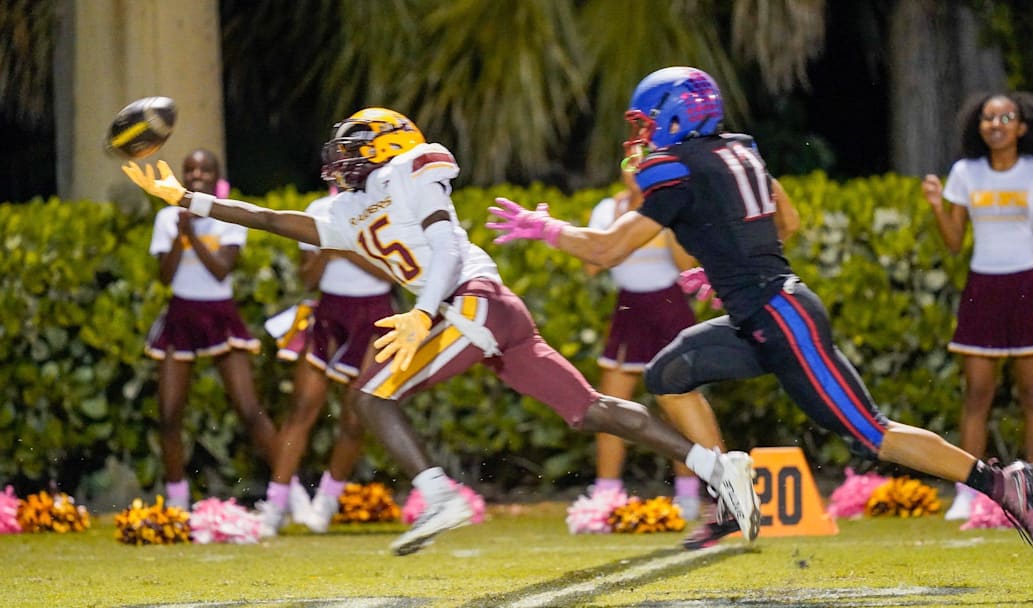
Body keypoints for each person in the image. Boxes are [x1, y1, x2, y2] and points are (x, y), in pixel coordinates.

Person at [121, 107, 761, 556]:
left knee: (370, 397)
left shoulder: (411, 170)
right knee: (589, 411)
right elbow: (270, 218)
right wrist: (185, 200)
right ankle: (718, 466)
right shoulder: (348, 209)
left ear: (381, 146)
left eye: (350, 148)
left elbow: (445, 252)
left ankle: (438, 497)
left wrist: (425, 312)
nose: (339, 162)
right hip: (486, 310)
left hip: (469, 301)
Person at [487, 66, 1033, 552]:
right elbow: (785, 223)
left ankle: (1001, 485)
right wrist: (723, 266)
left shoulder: (680, 169)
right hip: (761, 313)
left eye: (649, 121)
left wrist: (547, 228)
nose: (645, 134)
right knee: (668, 375)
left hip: (782, 317)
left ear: (676, 116)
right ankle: (730, 492)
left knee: (870, 433)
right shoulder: (739, 151)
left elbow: (608, 248)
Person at [921, 92, 1033, 521]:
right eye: (988, 118)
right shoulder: (965, 173)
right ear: (979, 126)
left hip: (1027, 284)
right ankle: (970, 494)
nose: (997, 124)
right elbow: (953, 243)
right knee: (977, 395)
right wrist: (937, 206)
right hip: (982, 287)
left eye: (1006, 117)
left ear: (1022, 127)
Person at [584, 164, 729, 548]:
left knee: (677, 404)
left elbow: (686, 265)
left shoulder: (669, 208)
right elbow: (592, 263)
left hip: (669, 307)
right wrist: (626, 213)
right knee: (607, 405)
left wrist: (660, 216)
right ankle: (607, 494)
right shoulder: (606, 209)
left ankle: (686, 494)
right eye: (631, 166)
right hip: (628, 310)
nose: (635, 174)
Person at [256, 191, 397, 536]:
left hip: (374, 313)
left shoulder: (392, 206)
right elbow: (307, 278)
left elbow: (393, 273)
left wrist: (345, 249)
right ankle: (274, 505)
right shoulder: (319, 209)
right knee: (302, 407)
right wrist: (327, 252)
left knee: (354, 415)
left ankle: (327, 502)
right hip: (330, 312)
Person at [144, 148, 278, 510]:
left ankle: (287, 490)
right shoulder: (168, 218)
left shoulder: (227, 215)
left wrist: (193, 235)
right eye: (190, 170)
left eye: (204, 170)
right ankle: (177, 499)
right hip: (180, 314)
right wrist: (179, 234)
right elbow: (165, 276)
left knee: (249, 409)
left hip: (220, 314)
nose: (196, 175)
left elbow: (222, 269)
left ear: (216, 176)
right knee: (170, 414)